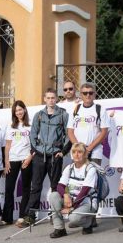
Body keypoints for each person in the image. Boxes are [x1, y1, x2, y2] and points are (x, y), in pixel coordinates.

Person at [28, 89, 70, 224]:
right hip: (40, 155)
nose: (51, 100)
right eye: (48, 98)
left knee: (55, 186)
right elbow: (33, 133)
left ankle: (55, 215)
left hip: (55, 155)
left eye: (53, 98)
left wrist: (62, 152)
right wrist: (35, 150)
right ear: (44, 99)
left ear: (56, 99)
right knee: (36, 186)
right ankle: (31, 215)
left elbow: (68, 135)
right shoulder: (39, 115)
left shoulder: (63, 114)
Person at [48, 143, 98, 238]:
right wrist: (66, 195)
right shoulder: (69, 168)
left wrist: (71, 207)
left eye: (80, 152)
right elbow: (60, 186)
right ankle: (60, 229)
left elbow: (84, 191)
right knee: (53, 195)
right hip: (72, 200)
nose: (76, 154)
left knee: (73, 218)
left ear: (85, 154)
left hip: (87, 202)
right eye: (74, 152)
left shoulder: (90, 169)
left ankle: (88, 223)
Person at [3, 100, 33, 226]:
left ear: (24, 110)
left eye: (20, 109)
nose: (19, 112)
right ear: (14, 113)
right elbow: (7, 146)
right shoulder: (10, 127)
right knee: (9, 188)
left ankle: (22, 216)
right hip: (13, 160)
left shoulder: (31, 125)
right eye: (16, 111)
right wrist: (6, 161)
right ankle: (7, 217)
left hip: (26, 159)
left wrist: (29, 158)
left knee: (26, 188)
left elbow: (35, 145)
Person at [67, 82, 109, 165]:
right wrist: (79, 149)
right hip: (78, 152)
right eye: (85, 93)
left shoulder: (100, 109)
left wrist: (88, 149)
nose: (88, 95)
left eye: (90, 93)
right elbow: (70, 131)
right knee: (78, 176)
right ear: (81, 95)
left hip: (94, 152)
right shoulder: (75, 109)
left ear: (94, 94)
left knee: (94, 176)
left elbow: (104, 132)